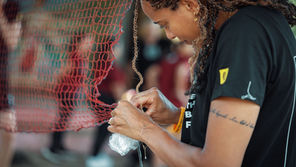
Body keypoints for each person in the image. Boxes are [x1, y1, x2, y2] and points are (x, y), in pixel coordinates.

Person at [107, 0, 296, 167]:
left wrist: (143, 128)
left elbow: (219, 163)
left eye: (165, 24)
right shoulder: (255, 24)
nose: (170, 35)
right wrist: (177, 116)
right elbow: (254, 125)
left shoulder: (244, 35)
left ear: (191, 4)